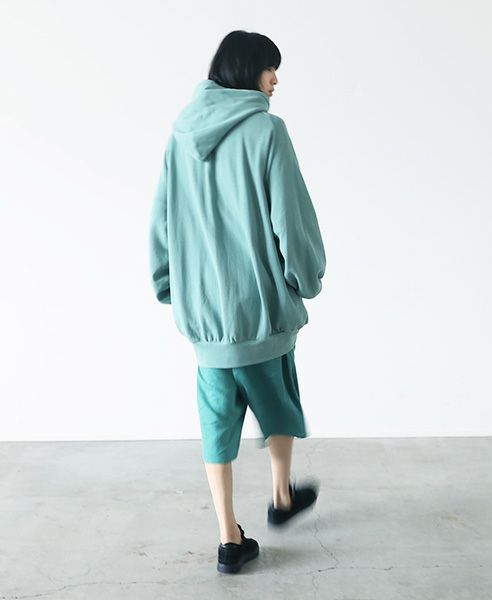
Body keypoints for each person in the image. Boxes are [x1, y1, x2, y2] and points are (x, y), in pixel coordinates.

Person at [149, 30, 326, 574]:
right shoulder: (268, 131)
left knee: (216, 424)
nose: (276, 80)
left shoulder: (181, 134)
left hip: (206, 317)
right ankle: (281, 496)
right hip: (261, 308)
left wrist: (168, 283)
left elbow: (162, 219)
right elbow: (290, 217)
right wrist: (305, 277)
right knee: (278, 402)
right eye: (270, 68)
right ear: (249, 70)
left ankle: (229, 537)